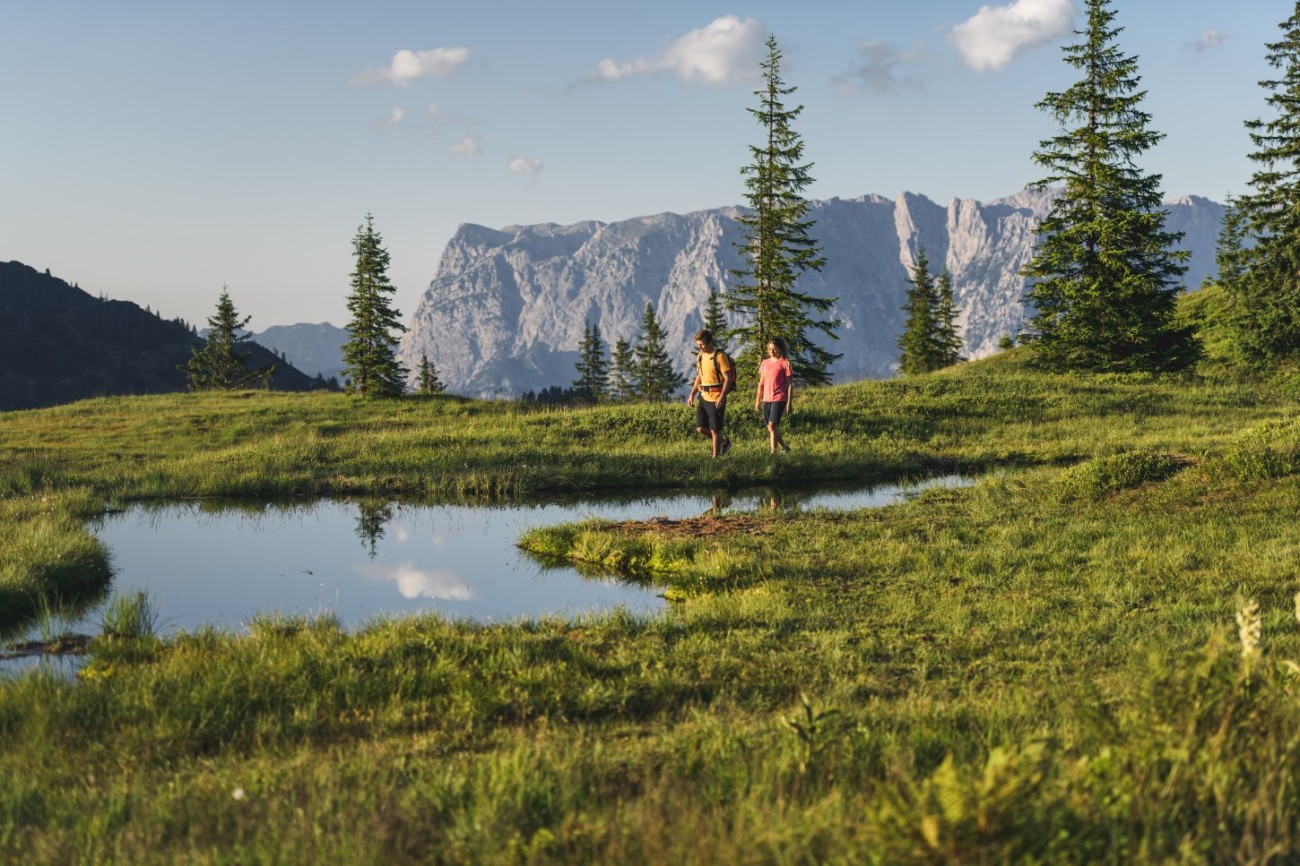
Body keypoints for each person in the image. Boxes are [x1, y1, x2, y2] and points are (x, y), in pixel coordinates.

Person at [686, 329, 735, 458]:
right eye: (698, 345)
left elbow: (728, 378)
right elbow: (699, 376)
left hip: (716, 397)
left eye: (702, 344)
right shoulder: (700, 356)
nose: (700, 347)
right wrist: (692, 394)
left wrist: (722, 396)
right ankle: (725, 442)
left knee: (715, 430)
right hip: (703, 397)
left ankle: (715, 458)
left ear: (709, 341)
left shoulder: (719, 356)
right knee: (700, 428)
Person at [755, 337, 793, 454]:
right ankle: (785, 448)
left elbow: (790, 385)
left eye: (775, 349)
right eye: (770, 349)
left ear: (780, 349)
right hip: (767, 398)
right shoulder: (765, 363)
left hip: (779, 398)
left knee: (772, 425)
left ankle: (773, 452)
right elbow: (761, 383)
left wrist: (789, 403)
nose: (772, 351)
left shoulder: (785, 363)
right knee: (771, 427)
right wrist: (758, 400)